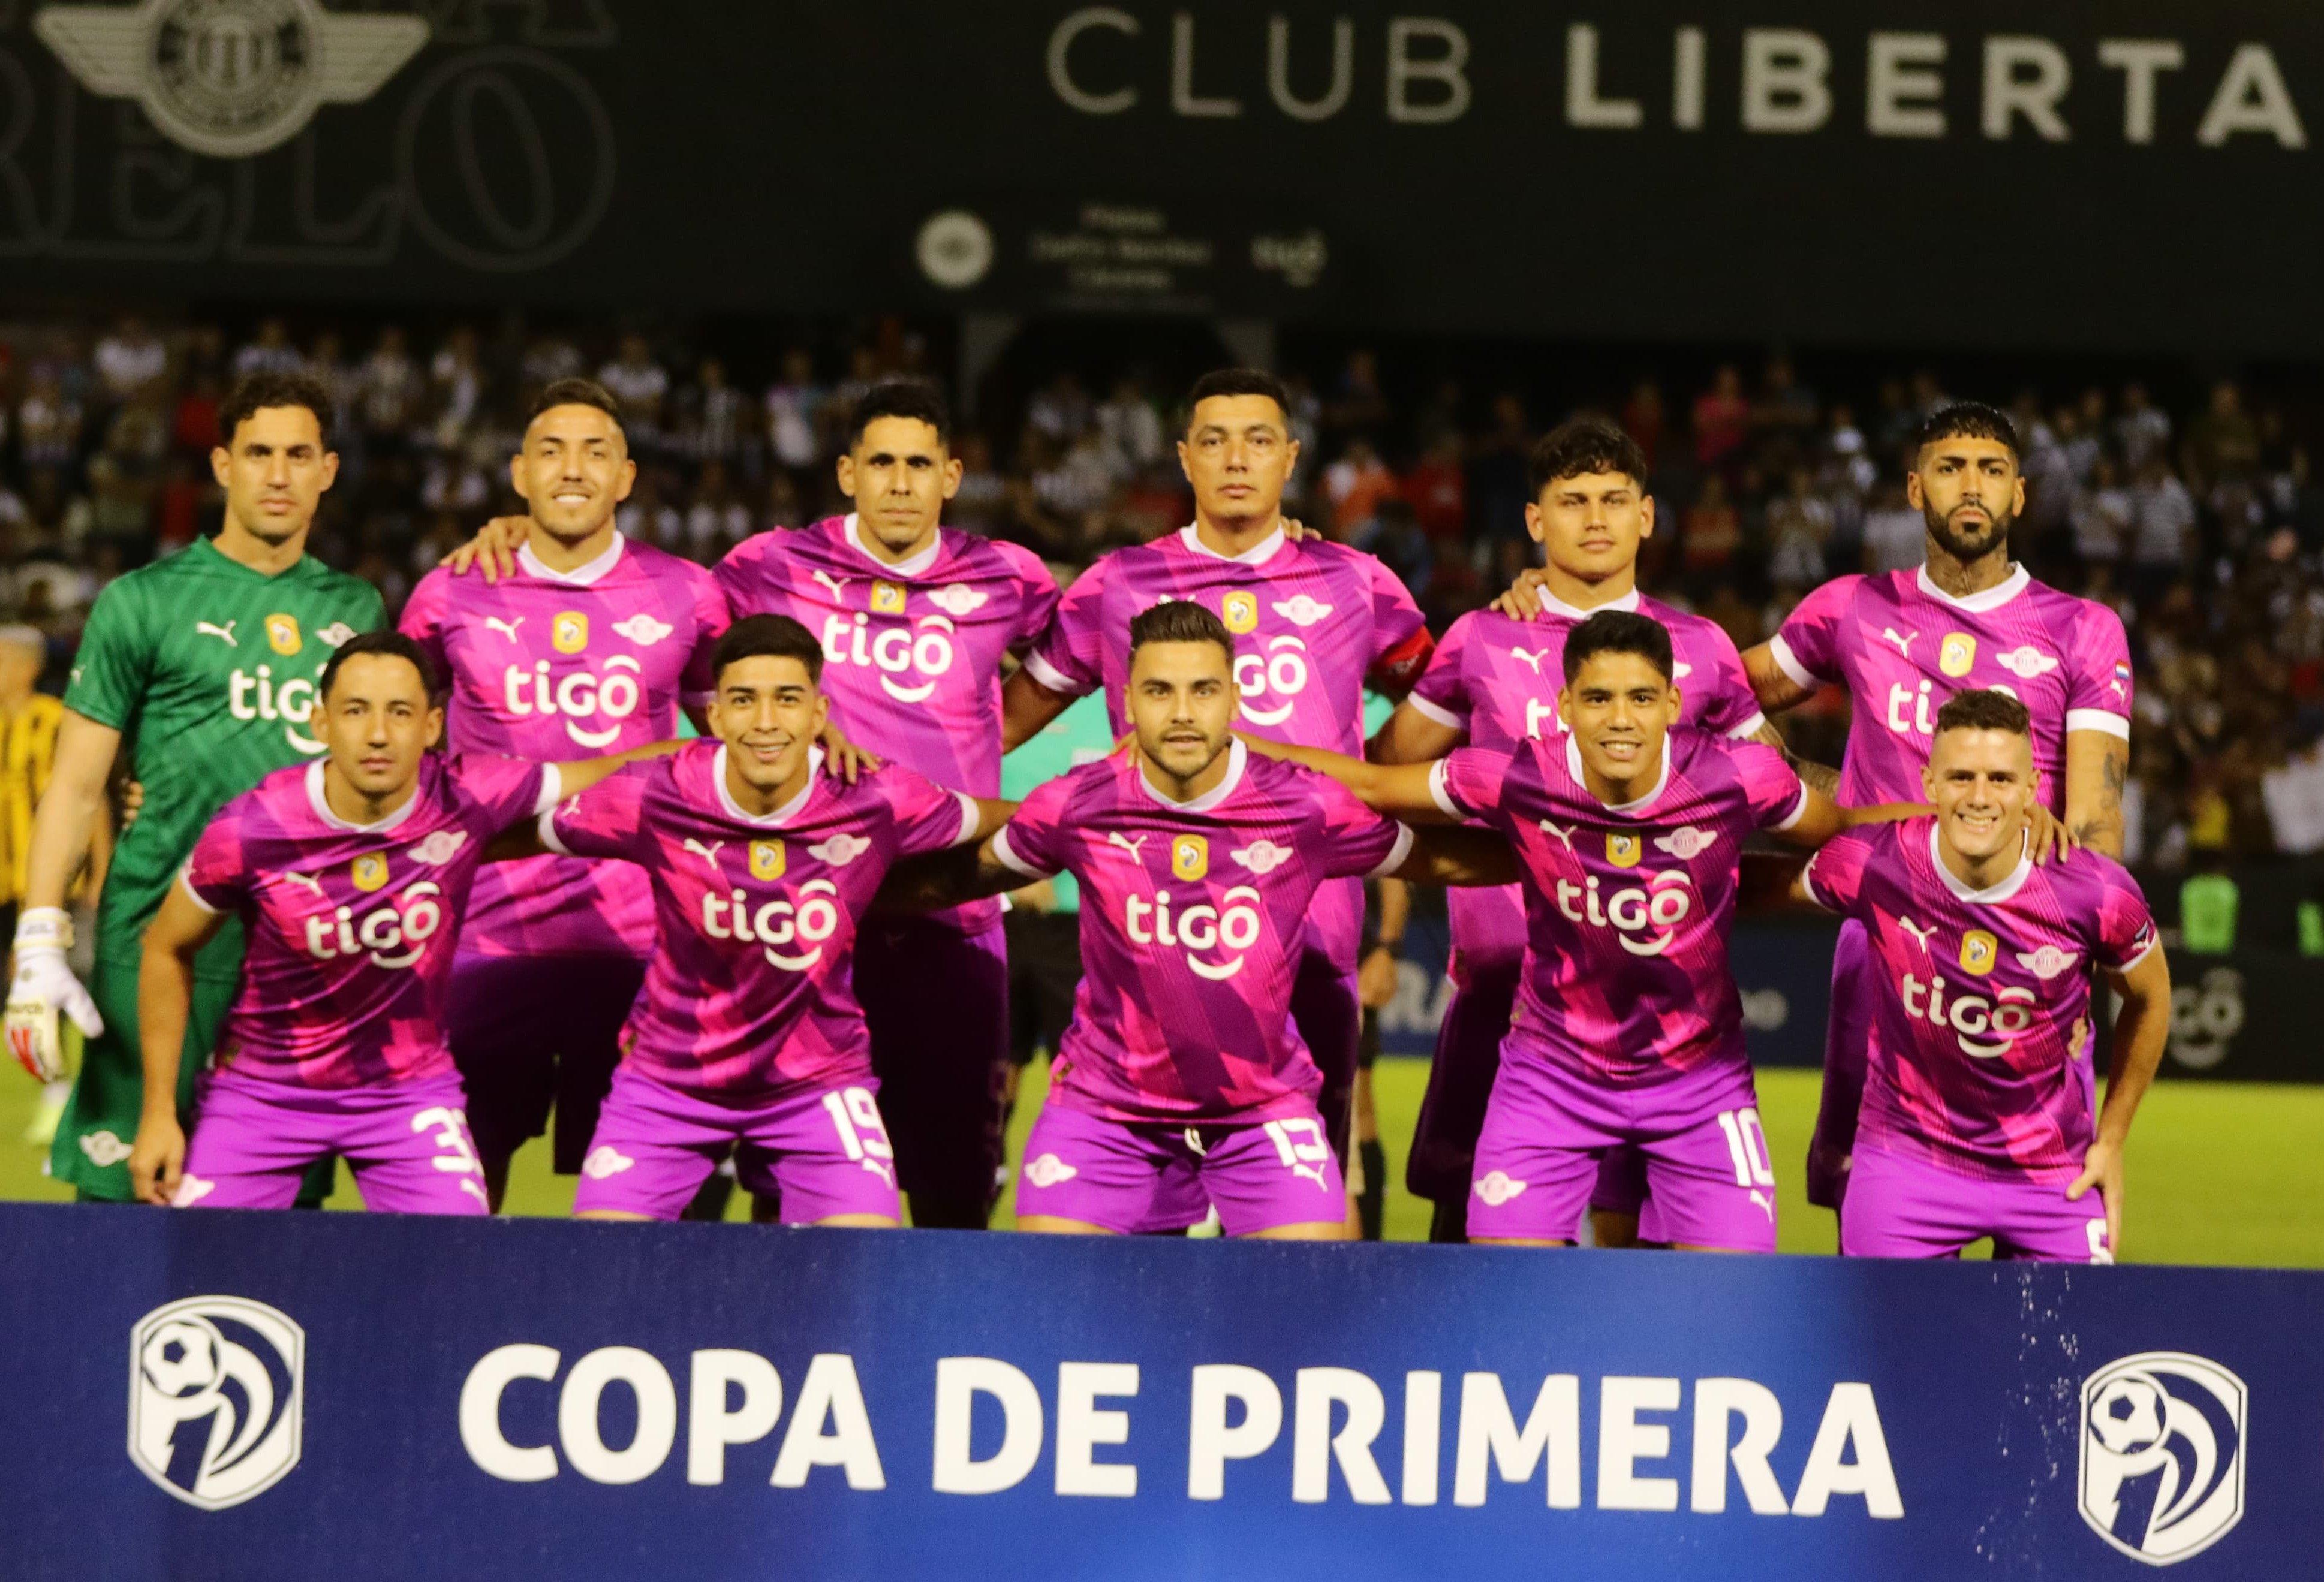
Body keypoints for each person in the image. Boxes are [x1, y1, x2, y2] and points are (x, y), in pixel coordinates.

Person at [1241, 611, 1921, 1250]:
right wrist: (1233, 749)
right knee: (1511, 1286)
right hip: (1549, 1076)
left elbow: (1842, 829)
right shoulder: (1522, 774)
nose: (1620, 719)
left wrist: (1955, 816)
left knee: (1731, 1299)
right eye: (1597, 699)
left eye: (1640, 698)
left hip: (1700, 1084)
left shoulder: (1739, 776)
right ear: (1565, 706)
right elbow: (1373, 783)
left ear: (1672, 705)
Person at [893, 600, 1512, 1240]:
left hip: (1260, 1110)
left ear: (1234, 698)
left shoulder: (1304, 806)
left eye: (1203, 690)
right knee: (1055, 1289)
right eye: (1160, 691)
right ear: (1128, 700)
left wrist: (1554, 854)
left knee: (1318, 1292)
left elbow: (1435, 860)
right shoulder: (1077, 804)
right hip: (1106, 1111)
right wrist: (847, 890)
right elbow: (962, 877)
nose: (1183, 711)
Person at [1001, 368, 1434, 1177]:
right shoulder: (1118, 583)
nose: (1237, 458)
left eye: (1259, 439)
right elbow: (1001, 722)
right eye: (1215, 440)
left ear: (1291, 458)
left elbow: (1444, 709)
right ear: (1184, 458)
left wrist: (1365, 778)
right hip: (1149, 943)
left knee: (1305, 1195)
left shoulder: (1356, 580)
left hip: (1313, 935)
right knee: (1141, 1203)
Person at [1379, 420, 1772, 1243]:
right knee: (1473, 1240)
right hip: (1504, 996)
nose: (1595, 518)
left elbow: (1765, 794)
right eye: (1573, 501)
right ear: (1535, 522)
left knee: (1638, 1250)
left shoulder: (1699, 651)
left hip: (1658, 1011)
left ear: (1649, 516)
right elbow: (1388, 777)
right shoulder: (1482, 637)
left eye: (1614, 500)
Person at [1737, 403, 2134, 1215]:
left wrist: (2073, 963)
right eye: (1951, 467)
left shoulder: (2081, 630)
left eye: (1991, 470)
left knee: (2042, 1224)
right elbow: (1710, 689)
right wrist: (1566, 603)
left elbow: (2096, 825)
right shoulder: (1853, 607)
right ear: (1916, 488)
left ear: (2020, 495)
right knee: (1872, 1219)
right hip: (1883, 949)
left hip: (2026, 955)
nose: (1971, 486)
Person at [123, 634, 667, 1211]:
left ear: (433, 726)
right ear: (320, 722)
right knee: (202, 1276)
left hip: (407, 1094)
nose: (378, 733)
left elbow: (607, 769)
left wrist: (723, 759)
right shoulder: (252, 828)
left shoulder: (467, 793)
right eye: (356, 710)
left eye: (399, 712)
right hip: (264, 1093)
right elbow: (164, 947)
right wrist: (159, 1114)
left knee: (455, 1268)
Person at [11, 372, 384, 1204]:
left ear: (328, 470)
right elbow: (75, 786)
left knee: (278, 1218)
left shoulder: (357, 608)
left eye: (298, 455)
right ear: (221, 465)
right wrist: (38, 937)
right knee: (123, 1205)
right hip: (152, 943)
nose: (278, 474)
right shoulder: (142, 601)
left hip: (297, 959)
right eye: (258, 453)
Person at [537, 614, 1011, 1225]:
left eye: (787, 699)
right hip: (667, 1082)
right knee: (594, 1262)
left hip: (818, 1084)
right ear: (715, 716)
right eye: (743, 699)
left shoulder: (875, 796)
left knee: (865, 1259)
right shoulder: (655, 791)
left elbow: (1008, 819)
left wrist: (1118, 804)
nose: (765, 720)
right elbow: (511, 826)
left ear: (819, 715)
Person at [399, 379, 730, 1211]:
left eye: (595, 451)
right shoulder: (450, 591)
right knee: (457, 1200)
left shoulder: (691, 593)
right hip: (480, 939)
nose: (572, 468)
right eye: (551, 449)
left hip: (641, 942)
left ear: (626, 476)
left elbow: (737, 747)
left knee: (643, 1208)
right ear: (519, 474)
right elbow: (396, 748)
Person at [1795, 690, 2169, 1262]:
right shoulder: (1872, 862)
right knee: (1891, 1351)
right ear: (1930, 783)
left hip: (2051, 1176)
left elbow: (2151, 998)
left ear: (2031, 787)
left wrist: (2112, 1139)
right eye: (1961, 776)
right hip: (1906, 1163)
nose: (1979, 797)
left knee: (2070, 1348)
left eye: (1999, 778)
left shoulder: (2095, 891)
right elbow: (1763, 885)